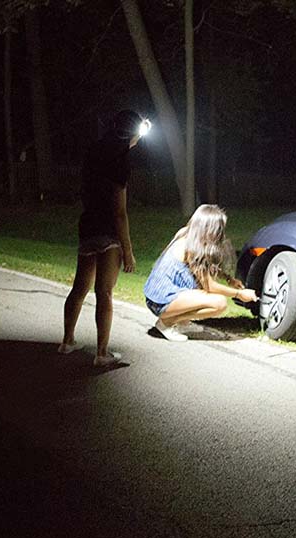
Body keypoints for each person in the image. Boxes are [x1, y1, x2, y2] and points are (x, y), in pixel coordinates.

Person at [60, 110, 143, 366]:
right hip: (108, 232)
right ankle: (102, 353)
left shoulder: (94, 152)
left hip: (88, 224)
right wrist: (127, 250)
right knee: (104, 292)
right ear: (133, 132)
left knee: (80, 288)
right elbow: (119, 212)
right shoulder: (121, 162)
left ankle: (67, 341)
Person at [143, 204, 258, 341]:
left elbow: (202, 269)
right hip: (162, 301)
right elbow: (210, 286)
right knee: (219, 303)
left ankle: (182, 323)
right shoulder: (192, 248)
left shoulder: (186, 234)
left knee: (201, 289)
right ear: (210, 228)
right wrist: (240, 294)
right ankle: (167, 323)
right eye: (219, 228)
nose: (221, 233)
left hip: (156, 296)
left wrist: (228, 279)